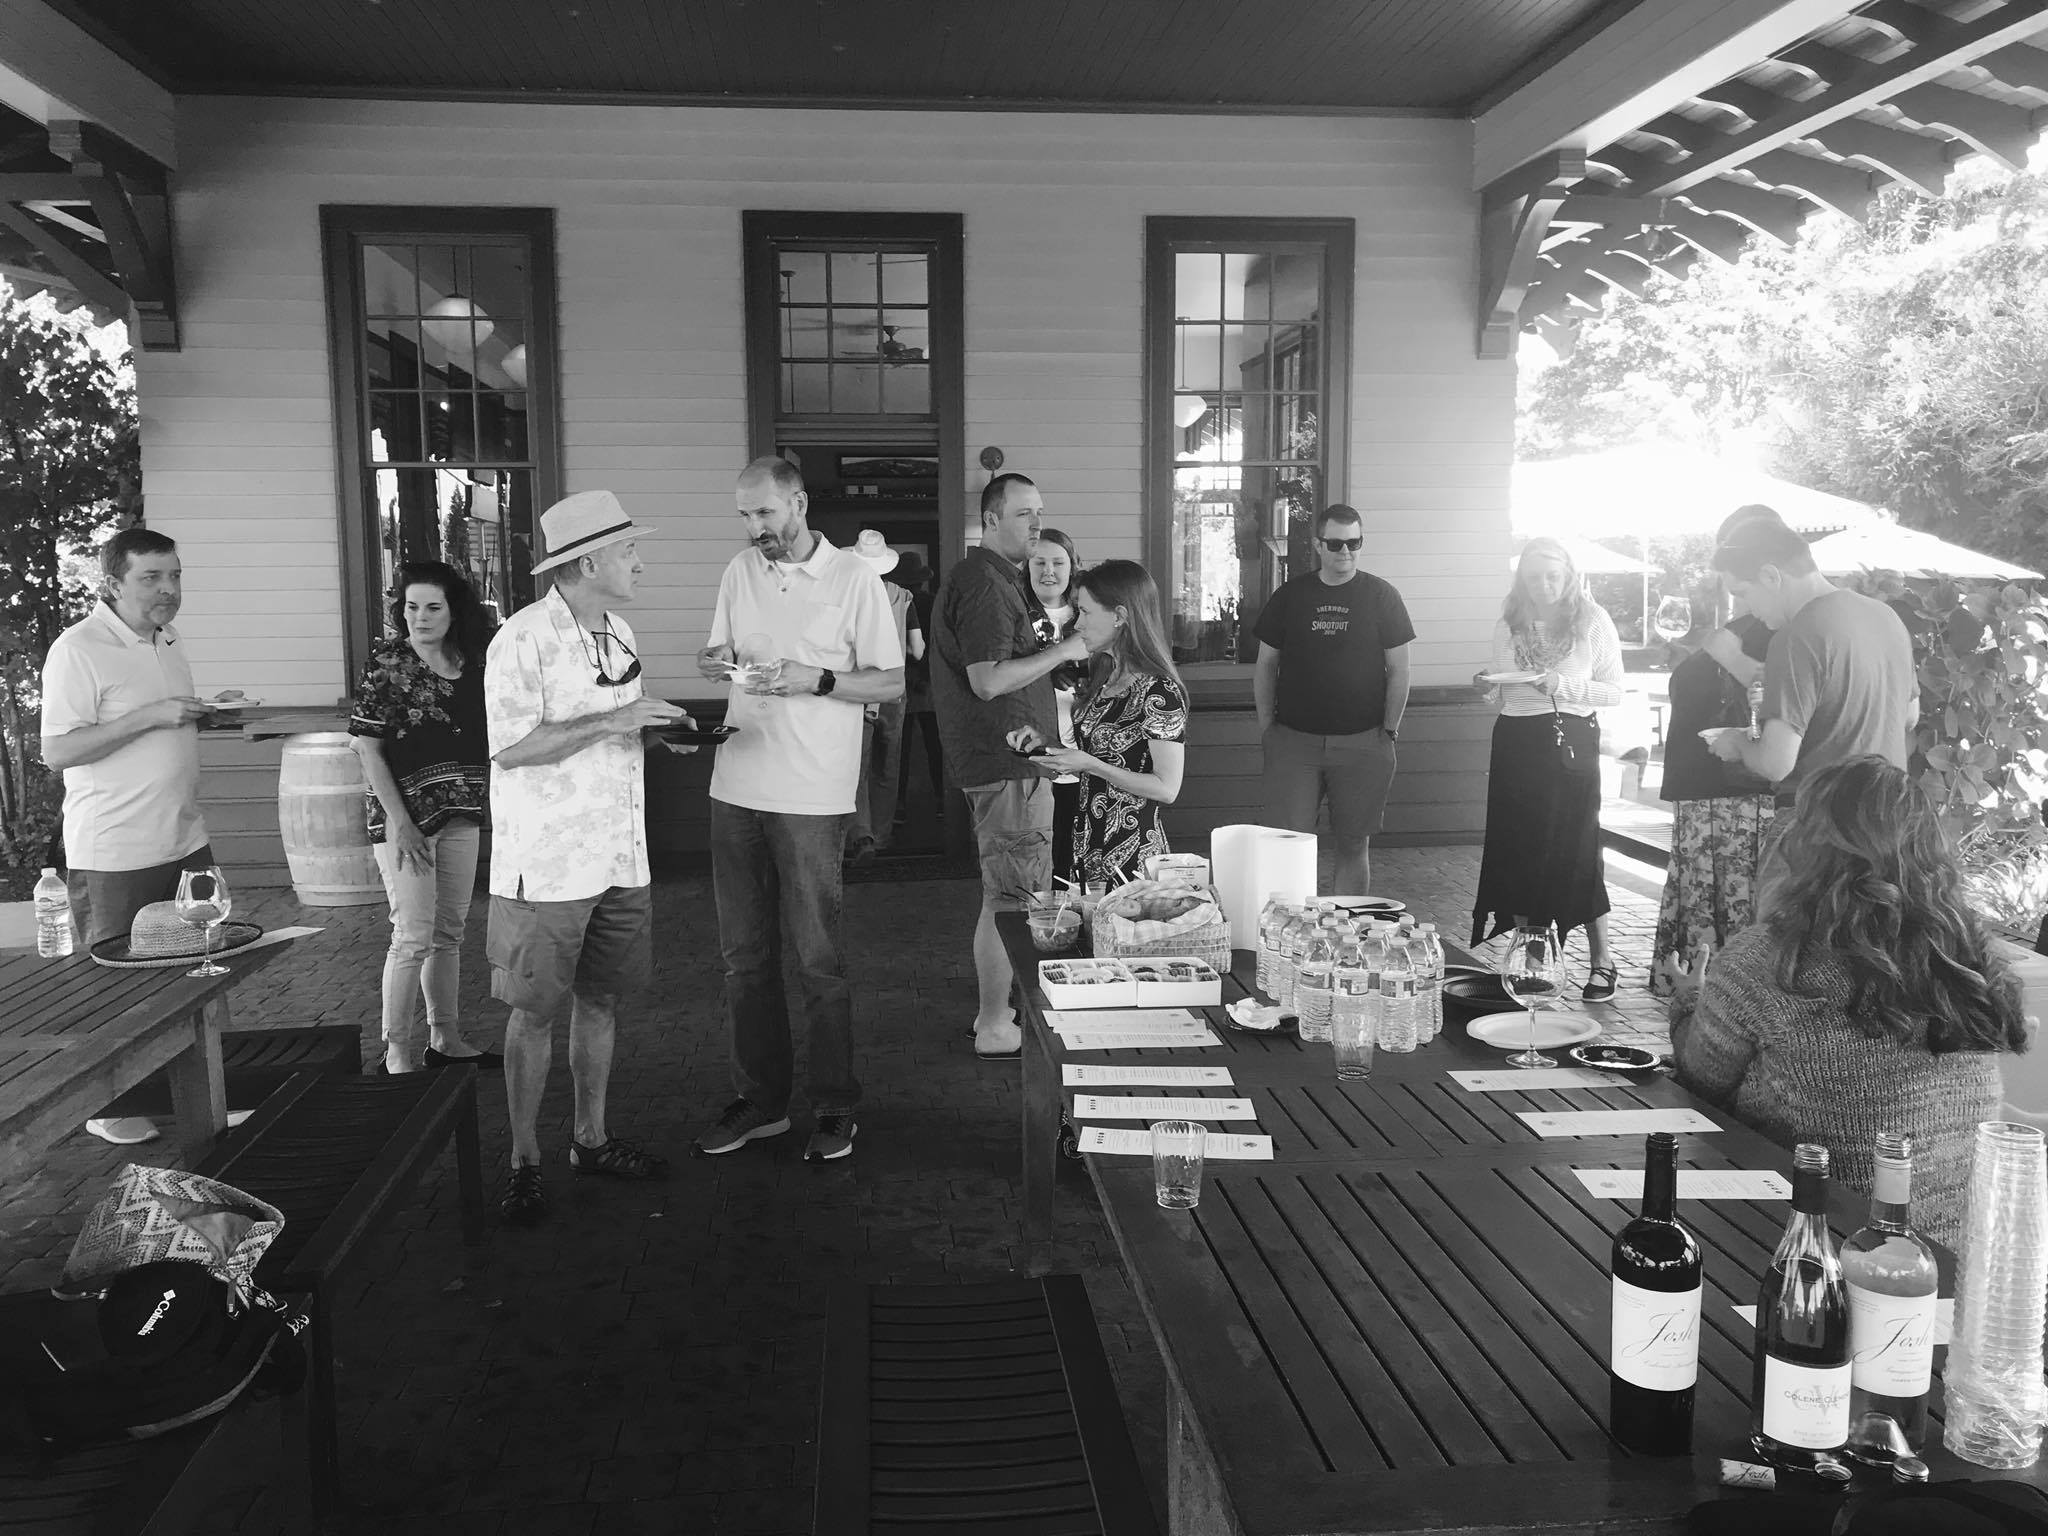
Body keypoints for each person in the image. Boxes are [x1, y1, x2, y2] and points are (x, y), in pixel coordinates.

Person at [1670, 755, 2026, 1250]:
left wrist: (1689, 1000)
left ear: (1805, 846)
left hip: (1815, 1248)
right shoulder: (1968, 956)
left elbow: (1700, 1079)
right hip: (1956, 1259)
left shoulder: (1769, 959)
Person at [484, 489, 692, 1225]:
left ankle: (590, 1140)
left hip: (619, 855)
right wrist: (619, 718)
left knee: (601, 1000)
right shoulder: (522, 638)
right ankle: (522, 1160)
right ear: (590, 561)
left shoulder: (620, 631)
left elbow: (615, 725)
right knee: (534, 1012)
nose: (639, 561)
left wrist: (658, 731)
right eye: (629, 549)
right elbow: (511, 748)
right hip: (545, 867)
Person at [690, 460, 904, 1162]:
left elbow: (891, 682)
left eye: (765, 513)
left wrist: (820, 678)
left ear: (800, 503)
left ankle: (836, 1105)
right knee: (743, 962)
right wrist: (715, 660)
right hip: (735, 785)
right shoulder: (739, 571)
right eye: (745, 515)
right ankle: (761, 1103)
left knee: (818, 960)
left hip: (812, 794)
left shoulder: (854, 578)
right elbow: (723, 649)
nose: (755, 527)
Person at [41, 528, 217, 1146]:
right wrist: (151, 716)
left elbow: (159, 726)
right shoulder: (79, 648)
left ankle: (199, 1094)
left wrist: (199, 712)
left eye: (175, 576)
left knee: (196, 972)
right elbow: (57, 750)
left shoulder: (168, 638)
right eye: (152, 577)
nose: (168, 589)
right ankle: (109, 1106)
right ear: (113, 584)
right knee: (119, 983)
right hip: (116, 848)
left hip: (184, 836)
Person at [931, 473, 1089, 1057]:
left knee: (1009, 893)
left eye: (1040, 512)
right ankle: (996, 1023)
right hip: (1008, 764)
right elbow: (988, 680)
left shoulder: (996, 578)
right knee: (1014, 898)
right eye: (1024, 514)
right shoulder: (985, 582)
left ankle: (994, 1015)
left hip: (1008, 763)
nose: (1036, 524)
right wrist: (1066, 649)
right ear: (991, 519)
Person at [349, 561, 498, 1074]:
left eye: (433, 607)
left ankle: (445, 1038)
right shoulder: (388, 664)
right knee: (412, 935)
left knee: (449, 933)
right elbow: (367, 749)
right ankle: (396, 1052)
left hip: (461, 812)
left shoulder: (475, 663)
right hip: (405, 820)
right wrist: (402, 824)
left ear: (455, 611)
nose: (420, 617)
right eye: (412, 607)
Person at [1470, 536, 1623, 999]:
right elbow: (1502, 687)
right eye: (1534, 576)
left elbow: (1614, 691)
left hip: (1569, 741)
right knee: (1520, 849)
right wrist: (1487, 686)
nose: (1544, 584)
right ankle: (1531, 961)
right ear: (1522, 579)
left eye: (1553, 575)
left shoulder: (1592, 620)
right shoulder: (1509, 623)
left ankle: (1602, 961)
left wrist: (1563, 685)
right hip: (1517, 741)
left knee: (1578, 849)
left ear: (1569, 575)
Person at [1706, 507, 1917, 809]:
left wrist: (1736, 742)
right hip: (1886, 812)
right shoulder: (1886, 616)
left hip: (1822, 817)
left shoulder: (1796, 636)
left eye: (1743, 592)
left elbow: (1774, 764)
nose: (1748, 608)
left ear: (1770, 576)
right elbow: (1909, 716)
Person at [1252, 503, 1414, 895]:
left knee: (1354, 843)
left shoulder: (1382, 596)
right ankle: (1289, 924)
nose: (1346, 551)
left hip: (1364, 741)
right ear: (1318, 545)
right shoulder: (1291, 596)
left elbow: (1400, 670)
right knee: (1288, 844)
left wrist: (1389, 730)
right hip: (1294, 742)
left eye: (1354, 543)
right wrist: (1268, 728)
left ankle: (1348, 924)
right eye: (1336, 543)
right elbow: (1265, 665)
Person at [1010, 561, 1187, 885]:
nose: (1078, 624)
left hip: (1133, 854)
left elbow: (1167, 788)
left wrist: (1090, 765)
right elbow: (1100, 759)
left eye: (1086, 612)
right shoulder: (1105, 676)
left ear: (1120, 616)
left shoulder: (1159, 690)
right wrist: (1048, 745)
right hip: (1087, 842)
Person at [1648, 603, 1776, 997]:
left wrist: (1725, 659)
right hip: (1699, 782)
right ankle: (1705, 988)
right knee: (1705, 886)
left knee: (1734, 889)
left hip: (1740, 786)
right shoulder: (1745, 625)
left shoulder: (1779, 629)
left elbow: (1777, 696)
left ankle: (1729, 990)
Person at [846, 529, 923, 864]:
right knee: (887, 767)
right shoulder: (903, 596)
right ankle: (883, 834)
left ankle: (861, 836)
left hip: (857, 692)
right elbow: (918, 650)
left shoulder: (847, 595)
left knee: (857, 768)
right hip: (893, 691)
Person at [1020, 527, 1088, 882]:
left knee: (1077, 854)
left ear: (1072, 566)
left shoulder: (1088, 614)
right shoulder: (1017, 615)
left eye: (1058, 563)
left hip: (1086, 753)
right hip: (1035, 754)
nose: (1049, 571)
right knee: (1038, 857)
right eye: (1039, 562)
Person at [892, 552, 944, 837]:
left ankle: (897, 805)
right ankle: (942, 800)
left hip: (901, 681)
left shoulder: (894, 603)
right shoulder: (933, 603)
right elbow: (938, 644)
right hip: (931, 682)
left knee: (899, 748)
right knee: (935, 745)